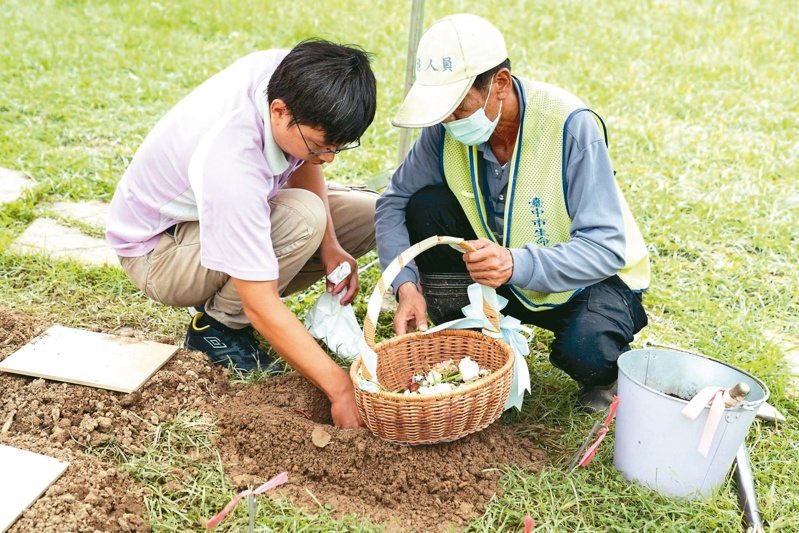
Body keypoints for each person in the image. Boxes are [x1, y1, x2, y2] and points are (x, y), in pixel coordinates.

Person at [375, 14, 650, 412]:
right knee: (425, 206)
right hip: (501, 275)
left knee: (588, 349)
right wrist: (406, 285)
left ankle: (604, 377)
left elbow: (604, 248)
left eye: (457, 106)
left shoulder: (571, 126)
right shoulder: (444, 129)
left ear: (500, 84)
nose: (448, 120)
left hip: (590, 282)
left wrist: (514, 262)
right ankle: (474, 336)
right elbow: (394, 201)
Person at [106, 40, 378, 427]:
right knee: (304, 219)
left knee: (368, 214)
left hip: (209, 214)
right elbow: (260, 301)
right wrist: (340, 389)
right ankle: (216, 329)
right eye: (321, 146)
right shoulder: (231, 162)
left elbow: (302, 157)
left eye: (337, 147)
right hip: (157, 253)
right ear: (279, 112)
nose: (329, 159)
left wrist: (331, 246)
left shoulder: (287, 76)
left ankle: (233, 302)